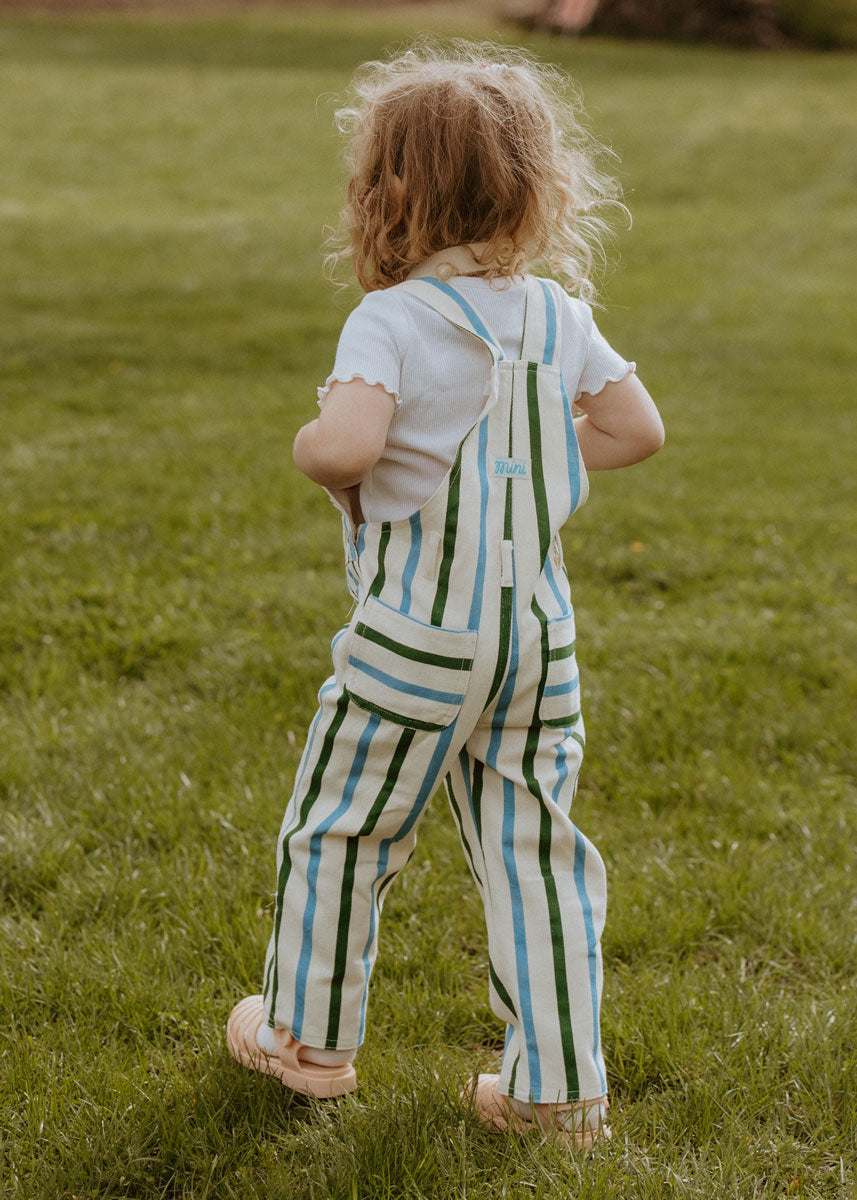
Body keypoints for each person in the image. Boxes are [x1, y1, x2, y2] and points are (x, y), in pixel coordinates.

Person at [227, 42, 664, 1151]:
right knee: (534, 849)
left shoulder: (390, 320)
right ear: (529, 186)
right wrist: (541, 449)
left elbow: (345, 452)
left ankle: (306, 1038)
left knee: (342, 829)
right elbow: (633, 431)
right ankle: (558, 1091)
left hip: (414, 642)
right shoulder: (555, 316)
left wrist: (312, 436)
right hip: (535, 643)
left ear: (392, 189)